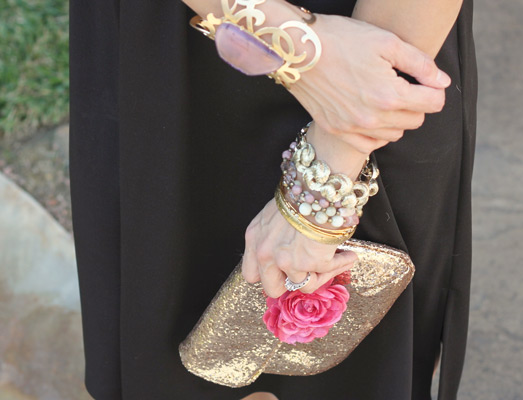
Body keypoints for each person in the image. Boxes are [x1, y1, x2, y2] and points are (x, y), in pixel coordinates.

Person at [69, 0, 476, 397]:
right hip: (171, 65)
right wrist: (294, 45)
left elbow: (368, 90)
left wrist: (324, 177)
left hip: (376, 44)